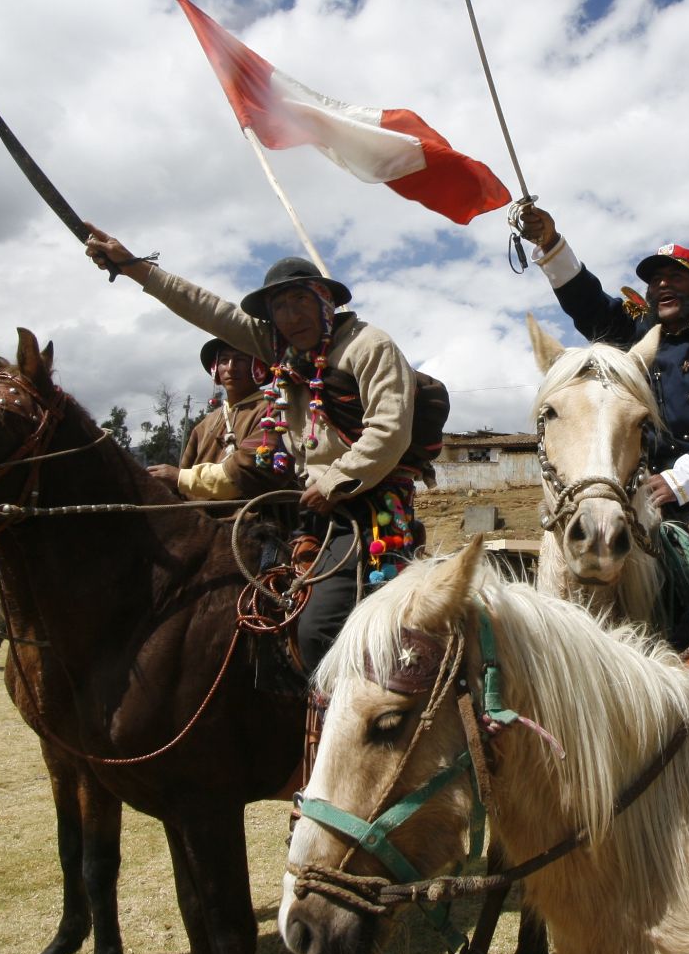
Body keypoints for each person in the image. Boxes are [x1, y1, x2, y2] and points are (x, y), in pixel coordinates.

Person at [82, 230, 447, 672]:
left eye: (299, 302)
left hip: (366, 510)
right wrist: (132, 266)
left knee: (319, 630)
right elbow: (206, 308)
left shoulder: (369, 346)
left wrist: (332, 481)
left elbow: (388, 431)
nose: (290, 316)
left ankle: (352, 731)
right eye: (279, 307)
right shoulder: (281, 347)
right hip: (304, 509)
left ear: (324, 301)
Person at [515, 205, 689, 541]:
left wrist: (678, 482)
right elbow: (588, 304)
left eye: (675, 277)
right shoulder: (631, 334)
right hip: (630, 490)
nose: (663, 285)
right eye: (655, 280)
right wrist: (551, 243)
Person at [147, 339, 289, 502]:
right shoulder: (204, 426)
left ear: (258, 368)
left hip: (252, 522)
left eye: (241, 360)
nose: (230, 367)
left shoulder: (273, 411)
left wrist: (180, 477)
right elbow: (181, 487)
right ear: (215, 370)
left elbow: (248, 474)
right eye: (224, 361)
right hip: (200, 521)